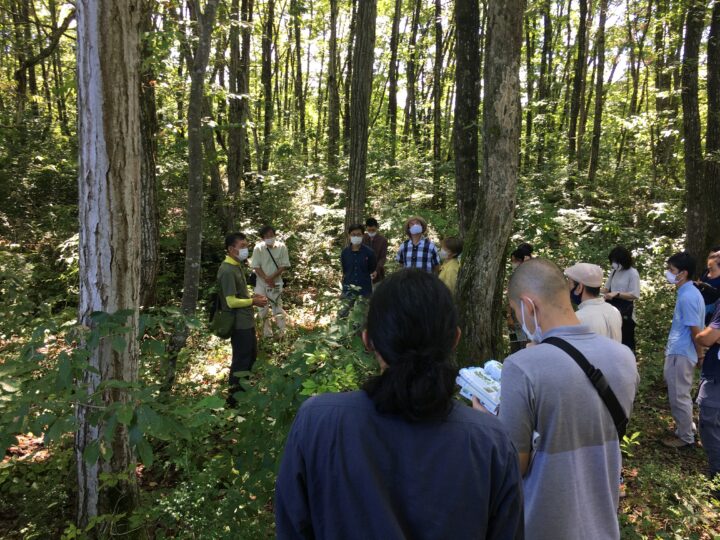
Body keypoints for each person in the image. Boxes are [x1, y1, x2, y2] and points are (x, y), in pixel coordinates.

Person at [275, 270, 524, 539]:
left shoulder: (318, 422)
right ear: (455, 339)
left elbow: (292, 528)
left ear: (368, 340)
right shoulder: (490, 441)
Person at [491, 258, 638, 539]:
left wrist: (490, 422)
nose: (519, 320)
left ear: (529, 305)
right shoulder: (624, 358)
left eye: (515, 312)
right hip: (603, 523)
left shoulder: (522, 366)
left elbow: (514, 466)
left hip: (543, 524)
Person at [217, 233, 268, 406]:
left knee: (250, 357)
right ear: (231, 249)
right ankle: (233, 401)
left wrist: (252, 298)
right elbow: (230, 301)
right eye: (242, 246)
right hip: (239, 325)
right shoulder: (227, 270)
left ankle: (243, 395)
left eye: (247, 245)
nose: (246, 249)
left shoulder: (237, 265)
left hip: (246, 321)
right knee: (241, 361)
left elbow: (238, 295)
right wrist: (253, 301)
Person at [662, 251, 706, 449]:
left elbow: (694, 328)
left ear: (684, 273)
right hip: (680, 350)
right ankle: (687, 429)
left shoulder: (688, 296)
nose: (669, 274)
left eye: (672, 270)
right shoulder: (688, 292)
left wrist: (700, 354)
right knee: (681, 393)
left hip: (682, 351)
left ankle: (686, 437)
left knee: (679, 395)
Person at [694, 302, 720, 493]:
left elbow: (706, 337)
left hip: (716, 378)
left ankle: (717, 478)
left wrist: (706, 335)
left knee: (709, 423)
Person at [565, 262, 623, 342]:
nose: (568, 287)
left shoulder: (578, 318)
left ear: (579, 287)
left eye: (569, 283)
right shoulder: (614, 311)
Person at [251, 225, 291, 337]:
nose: (269, 237)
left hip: (276, 282)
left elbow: (284, 265)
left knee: (277, 306)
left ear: (275, 235)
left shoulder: (282, 247)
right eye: (266, 236)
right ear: (263, 238)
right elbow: (256, 266)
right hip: (260, 283)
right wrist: (267, 279)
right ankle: (267, 334)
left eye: (271, 235)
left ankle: (282, 333)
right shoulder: (258, 248)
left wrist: (271, 278)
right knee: (262, 308)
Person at [603, 246, 641, 352]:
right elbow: (606, 289)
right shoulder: (614, 271)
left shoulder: (632, 273)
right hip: (611, 308)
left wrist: (617, 294)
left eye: (616, 261)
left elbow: (635, 294)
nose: (613, 264)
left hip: (625, 310)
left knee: (625, 342)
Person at [507, 243, 534, 353]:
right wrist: (509, 316)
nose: (513, 263)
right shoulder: (515, 275)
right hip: (515, 318)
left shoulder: (531, 275)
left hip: (524, 319)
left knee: (524, 347)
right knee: (516, 346)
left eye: (514, 260)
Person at [341, 224, 376, 299]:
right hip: (348, 290)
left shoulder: (369, 252)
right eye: (353, 234)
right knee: (344, 310)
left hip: (365, 291)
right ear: (349, 236)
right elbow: (345, 271)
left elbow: (372, 269)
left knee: (364, 310)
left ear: (363, 235)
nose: (356, 236)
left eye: (358, 234)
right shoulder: (345, 253)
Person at [695, 251, 720, 324]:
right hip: (698, 305)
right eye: (709, 268)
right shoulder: (706, 272)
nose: (709, 272)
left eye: (712, 269)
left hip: (711, 309)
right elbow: (699, 281)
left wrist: (705, 286)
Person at [362, 217, 388, 288]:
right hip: (363, 274)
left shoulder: (383, 240)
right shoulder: (362, 238)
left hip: (378, 275)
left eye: (373, 230)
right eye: (369, 230)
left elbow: (382, 258)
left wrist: (376, 270)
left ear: (377, 228)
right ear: (366, 228)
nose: (371, 232)